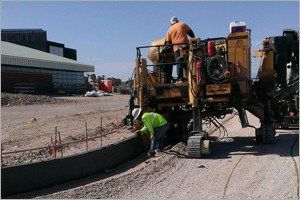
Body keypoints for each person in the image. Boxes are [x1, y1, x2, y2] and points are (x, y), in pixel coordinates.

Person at [165, 16, 195, 82]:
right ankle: (191, 76)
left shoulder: (169, 30)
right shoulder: (183, 24)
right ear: (177, 21)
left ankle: (180, 78)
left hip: (176, 49)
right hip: (185, 47)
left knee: (179, 62)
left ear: (171, 23)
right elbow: (191, 34)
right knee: (188, 61)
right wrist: (193, 41)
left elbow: (168, 43)